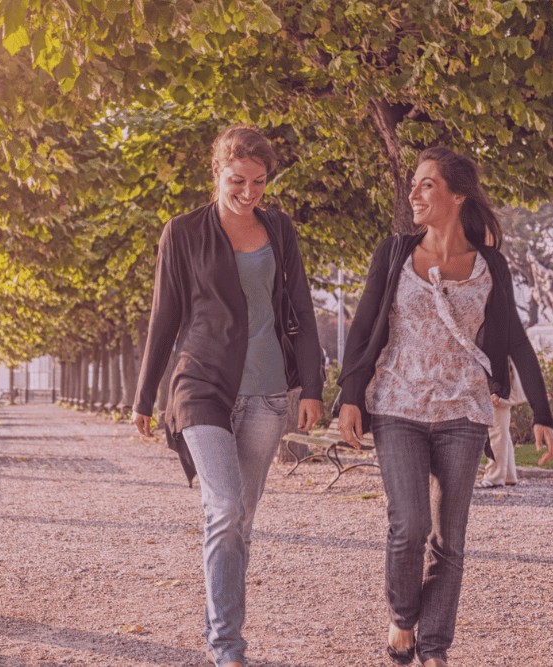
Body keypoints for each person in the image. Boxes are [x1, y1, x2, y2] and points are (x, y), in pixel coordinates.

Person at [335, 146, 553, 667]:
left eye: (426, 184)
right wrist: (349, 397)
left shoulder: (489, 265)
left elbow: (517, 341)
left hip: (463, 409)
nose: (414, 193)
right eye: (413, 184)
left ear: (457, 196)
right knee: (408, 526)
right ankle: (403, 618)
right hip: (397, 403)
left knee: (448, 539)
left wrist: (541, 414)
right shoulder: (393, 253)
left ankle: (434, 648)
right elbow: (364, 327)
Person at [132, 125, 324, 667]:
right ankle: (227, 649)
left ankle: (222, 625)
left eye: (259, 181)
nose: (249, 191)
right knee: (224, 506)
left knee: (241, 521)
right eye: (237, 180)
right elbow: (163, 317)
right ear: (217, 173)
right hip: (201, 386)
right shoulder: (183, 232)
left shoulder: (280, 229)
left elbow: (302, 311)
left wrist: (311, 386)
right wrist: (144, 398)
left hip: (267, 392)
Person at [477, 359, 527, 488]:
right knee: (501, 431)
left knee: (495, 432)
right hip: (501, 387)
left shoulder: (495, 338)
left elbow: (499, 363)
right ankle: (509, 476)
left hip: (497, 389)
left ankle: (494, 477)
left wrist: (495, 390)